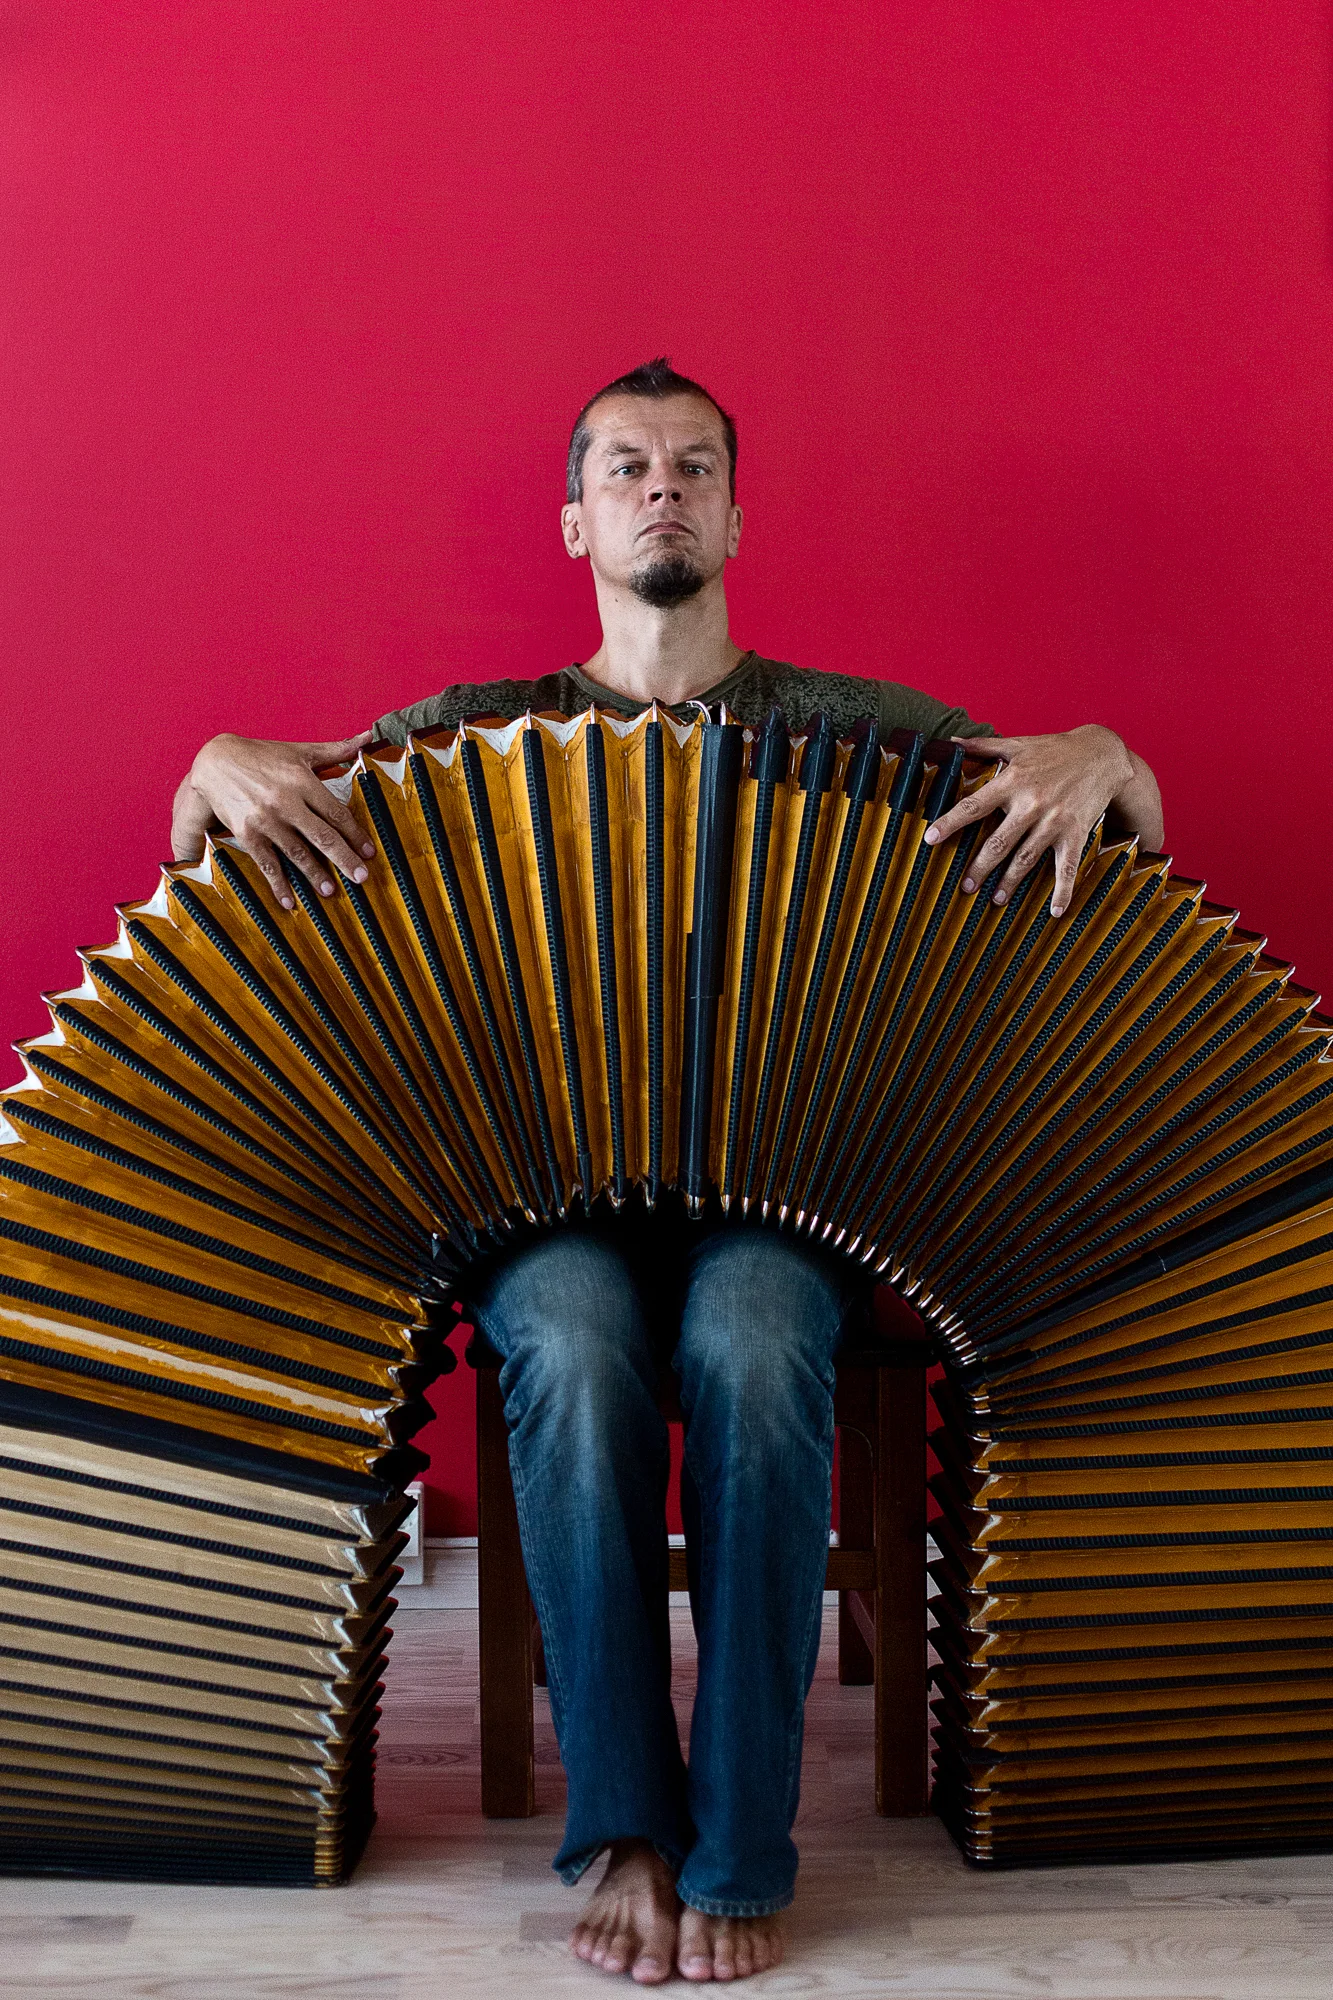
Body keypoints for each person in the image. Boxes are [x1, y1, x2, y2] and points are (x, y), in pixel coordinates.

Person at [172, 359, 1164, 1983]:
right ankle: (626, 1824)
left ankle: (744, 1840)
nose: (662, 487)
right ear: (575, 522)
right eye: (626, 466)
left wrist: (1111, 749)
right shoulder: (470, 737)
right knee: (563, 1334)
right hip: (545, 1210)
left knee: (766, 1341)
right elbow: (213, 828)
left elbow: (1130, 829)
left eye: (694, 465)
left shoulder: (858, 732)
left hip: (779, 1211)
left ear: (736, 515)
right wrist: (210, 753)